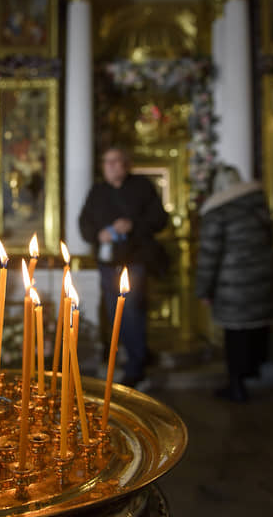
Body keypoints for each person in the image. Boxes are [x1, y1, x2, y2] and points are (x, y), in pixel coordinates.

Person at [79, 147, 168, 387]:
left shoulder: (142, 187)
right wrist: (99, 235)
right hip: (107, 263)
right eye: (106, 162)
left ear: (125, 164)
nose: (110, 166)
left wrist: (132, 225)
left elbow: (160, 219)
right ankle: (131, 355)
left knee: (131, 311)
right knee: (112, 311)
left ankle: (136, 366)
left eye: (115, 161)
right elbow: (84, 223)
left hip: (135, 260)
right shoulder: (97, 191)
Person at [195, 165, 273, 402]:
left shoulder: (218, 212)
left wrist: (203, 289)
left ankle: (236, 385)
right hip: (260, 278)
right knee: (254, 328)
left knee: (235, 334)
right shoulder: (257, 205)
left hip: (232, 283)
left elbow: (210, 255)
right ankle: (253, 375)